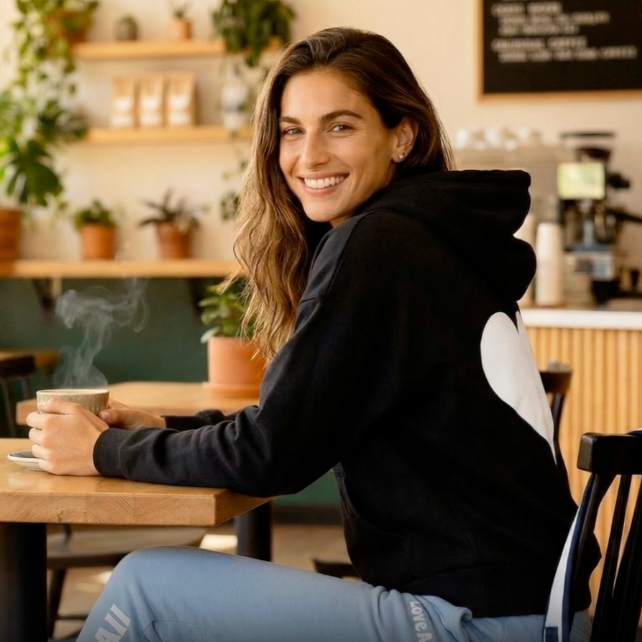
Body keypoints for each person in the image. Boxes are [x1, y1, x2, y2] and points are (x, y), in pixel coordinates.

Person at [27, 27, 595, 642]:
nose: (309, 155)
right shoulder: (434, 238)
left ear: (402, 135)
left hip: (474, 622)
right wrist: (161, 430)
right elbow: (297, 426)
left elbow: (272, 454)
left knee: (145, 587)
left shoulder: (380, 244)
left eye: (341, 126)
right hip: (540, 612)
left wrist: (100, 452)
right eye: (292, 131)